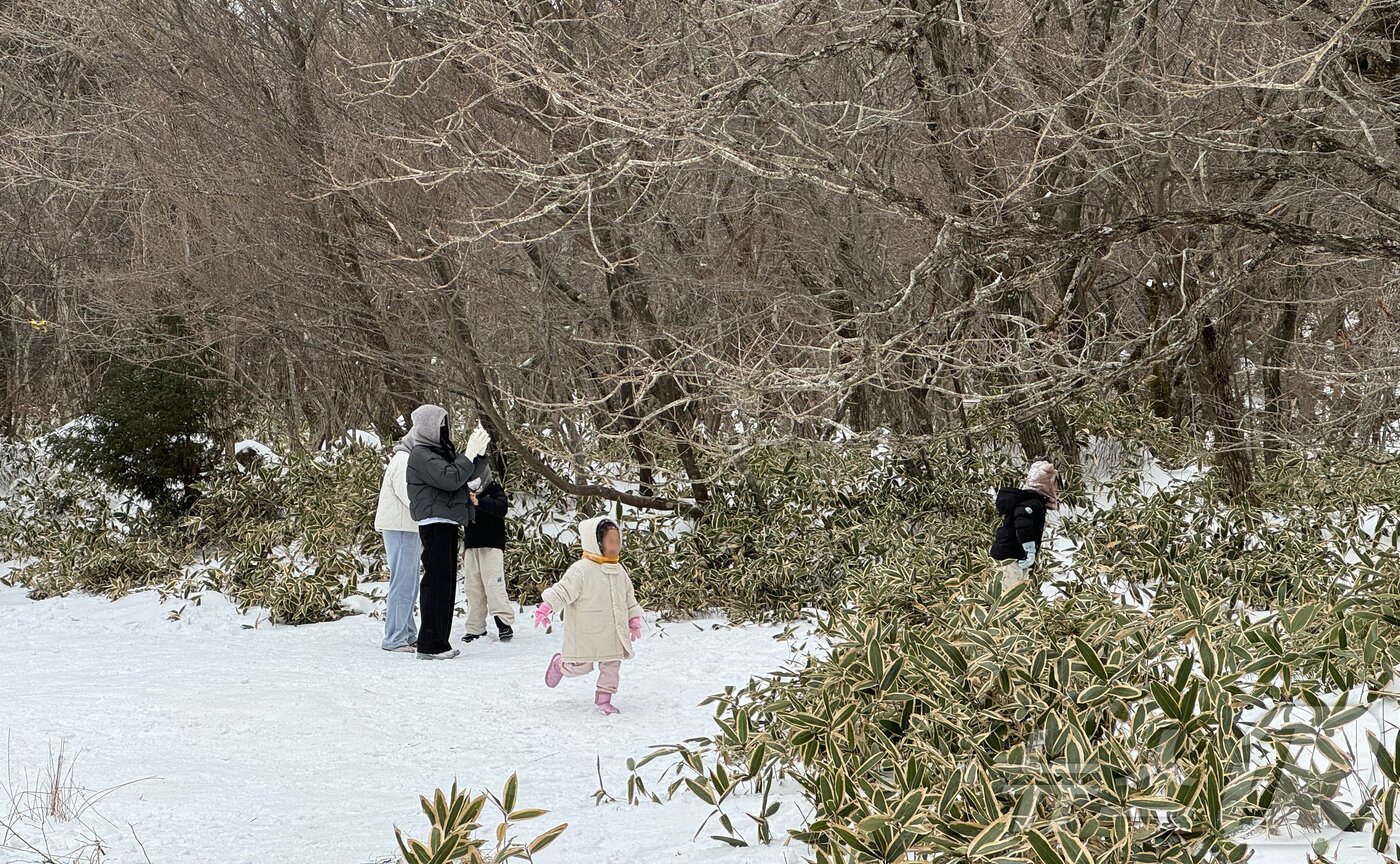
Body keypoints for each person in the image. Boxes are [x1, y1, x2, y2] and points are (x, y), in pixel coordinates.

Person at [404, 404, 492, 660]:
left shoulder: (440, 452)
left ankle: (439, 641)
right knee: (436, 582)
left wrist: (478, 456)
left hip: (447, 520)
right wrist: (467, 454)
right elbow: (450, 478)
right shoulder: (420, 454)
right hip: (434, 522)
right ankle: (430, 644)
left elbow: (463, 474)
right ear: (428, 426)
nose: (444, 428)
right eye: (440, 423)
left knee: (446, 583)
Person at [533, 516, 643, 715]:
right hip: (587, 630)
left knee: (612, 665)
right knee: (580, 666)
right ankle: (560, 665)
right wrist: (546, 606)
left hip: (613, 631)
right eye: (611, 541)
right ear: (597, 542)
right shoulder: (581, 570)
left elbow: (628, 597)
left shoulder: (619, 570)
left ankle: (604, 699)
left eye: (618, 541)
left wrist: (633, 619)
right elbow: (563, 591)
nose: (615, 546)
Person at [373, 439, 419, 652]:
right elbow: (410, 496)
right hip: (401, 527)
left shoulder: (405, 458)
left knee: (410, 582)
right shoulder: (403, 460)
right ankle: (395, 637)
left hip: (406, 526)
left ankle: (407, 633)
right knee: (402, 581)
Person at [990, 458, 1060, 590]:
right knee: (1010, 591)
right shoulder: (1031, 502)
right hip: (1011, 555)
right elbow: (1022, 520)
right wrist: (1029, 548)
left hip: (1014, 555)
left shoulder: (1030, 501)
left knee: (1018, 586)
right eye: (1053, 484)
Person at [461, 475, 514, 644]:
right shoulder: (464, 491)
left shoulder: (494, 489)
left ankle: (503, 622)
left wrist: (479, 502)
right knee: (473, 587)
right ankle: (475, 628)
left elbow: (501, 508)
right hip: (471, 545)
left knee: (494, 584)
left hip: (492, 544)